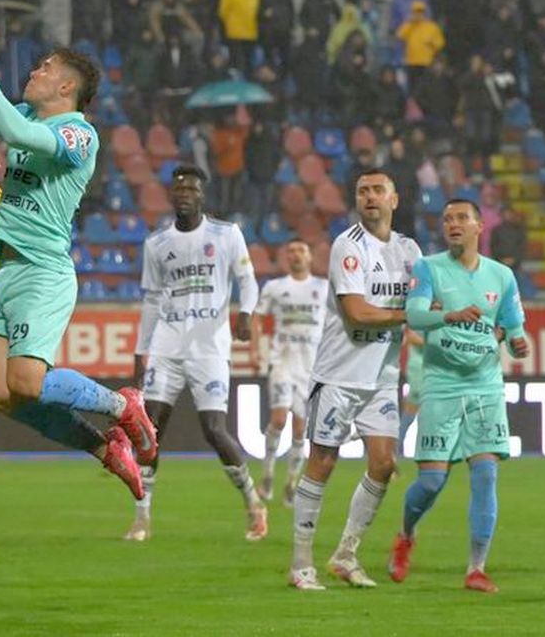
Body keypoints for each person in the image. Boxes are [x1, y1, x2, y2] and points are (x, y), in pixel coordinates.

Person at [0, 24, 156, 500]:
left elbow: (13, 130)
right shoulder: (27, 113)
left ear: (67, 86)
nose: (34, 70)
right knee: (4, 395)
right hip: (3, 271)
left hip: (41, 272)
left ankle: (119, 403)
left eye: (45, 67)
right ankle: (104, 448)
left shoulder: (78, 134)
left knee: (27, 383)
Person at [289, 169, 423, 591]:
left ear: (394, 200)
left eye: (378, 190)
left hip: (381, 378)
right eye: (362, 191)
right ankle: (300, 564)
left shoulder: (409, 249)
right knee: (322, 463)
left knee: (383, 464)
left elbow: (427, 300)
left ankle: (346, 554)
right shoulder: (349, 246)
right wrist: (409, 316)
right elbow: (357, 313)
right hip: (338, 376)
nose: (369, 197)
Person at [388, 199, 529, 594]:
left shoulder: (501, 276)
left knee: (485, 473)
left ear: (479, 226)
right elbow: (414, 316)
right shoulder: (428, 268)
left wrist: (519, 344)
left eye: (461, 218)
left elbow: (514, 327)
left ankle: (476, 568)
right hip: (442, 385)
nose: (453, 224)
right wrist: (448, 316)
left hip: (486, 386)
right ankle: (406, 535)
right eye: (447, 218)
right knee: (432, 482)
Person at [126, 166, 266, 542]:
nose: (185, 193)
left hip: (209, 346)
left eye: (192, 188)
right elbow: (152, 300)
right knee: (148, 429)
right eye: (179, 188)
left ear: (203, 196)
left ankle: (253, 501)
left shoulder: (226, 234)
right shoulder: (156, 244)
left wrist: (247, 313)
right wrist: (142, 351)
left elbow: (248, 281)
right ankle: (142, 517)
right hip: (167, 346)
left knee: (214, 430)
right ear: (171, 196)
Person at [251, 240, 329, 508]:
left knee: (300, 429)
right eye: (291, 250)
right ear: (286, 257)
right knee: (279, 419)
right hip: (282, 362)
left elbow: (337, 322)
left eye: (301, 250)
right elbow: (257, 317)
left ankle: (292, 483)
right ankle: (268, 475)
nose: (296, 255)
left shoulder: (324, 288)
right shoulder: (275, 287)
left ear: (310, 257)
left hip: (311, 367)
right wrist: (255, 350)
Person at [218, 0, 260, 76]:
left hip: (251, 34)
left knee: (249, 63)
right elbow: (223, 12)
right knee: (238, 62)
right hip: (235, 34)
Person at [396, 1, 445, 91]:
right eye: (416, 12)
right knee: (413, 88)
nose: (418, 14)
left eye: (421, 12)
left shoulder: (432, 27)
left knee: (426, 88)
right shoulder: (409, 26)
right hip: (411, 62)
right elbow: (400, 36)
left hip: (426, 63)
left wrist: (431, 43)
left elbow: (440, 43)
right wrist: (410, 23)